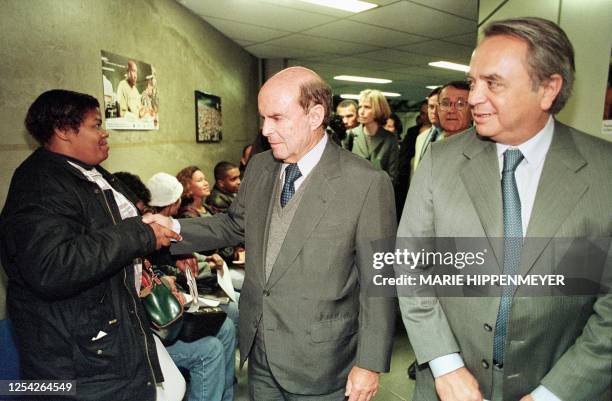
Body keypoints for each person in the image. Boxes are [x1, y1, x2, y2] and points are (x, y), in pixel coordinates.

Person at [148, 66, 396, 400]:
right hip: (260, 351)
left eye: (277, 118)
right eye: (263, 118)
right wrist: (173, 227)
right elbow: (234, 224)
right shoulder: (263, 166)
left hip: (322, 360)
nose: (266, 130)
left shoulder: (365, 183)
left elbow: (380, 280)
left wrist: (369, 364)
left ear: (315, 115)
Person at [397, 17, 612, 401]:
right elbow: (411, 264)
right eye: (473, 80)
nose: (474, 97)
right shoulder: (440, 161)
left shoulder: (605, 172)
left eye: (492, 83)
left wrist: (553, 393)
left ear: (548, 89)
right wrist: (445, 365)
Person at [0, 89, 180, 401]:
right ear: (63, 130)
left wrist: (150, 249)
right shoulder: (40, 184)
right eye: (96, 125)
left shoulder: (89, 173)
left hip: (110, 343)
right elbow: (52, 266)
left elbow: (109, 237)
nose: (104, 132)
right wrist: (141, 234)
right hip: (79, 362)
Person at [145, 172, 236, 401]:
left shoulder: (159, 227)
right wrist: (169, 279)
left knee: (227, 326)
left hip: (172, 299)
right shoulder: (149, 231)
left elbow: (161, 267)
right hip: (156, 319)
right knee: (214, 343)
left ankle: (225, 395)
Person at [351, 89, 400, 185]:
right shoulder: (351, 135)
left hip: (378, 193)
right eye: (360, 106)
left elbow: (392, 176)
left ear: (379, 109)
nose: (361, 111)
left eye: (367, 107)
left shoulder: (390, 139)